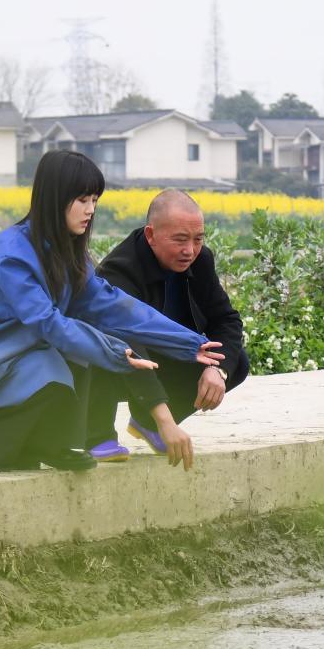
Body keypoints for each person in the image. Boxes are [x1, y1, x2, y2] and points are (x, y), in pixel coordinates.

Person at [0, 152, 224, 472]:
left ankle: (45, 442)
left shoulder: (69, 255)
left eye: (94, 199)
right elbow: (47, 322)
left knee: (75, 355)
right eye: (82, 199)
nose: (91, 209)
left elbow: (113, 306)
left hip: (17, 360)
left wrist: (190, 343)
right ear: (54, 198)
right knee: (60, 360)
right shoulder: (10, 255)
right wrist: (115, 353)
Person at [83, 189, 249, 470]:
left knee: (234, 362)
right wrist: (165, 419)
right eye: (180, 240)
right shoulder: (120, 272)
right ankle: (97, 433)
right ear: (151, 235)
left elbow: (226, 320)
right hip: (121, 361)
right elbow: (128, 343)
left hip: (167, 357)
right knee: (106, 343)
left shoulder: (200, 260)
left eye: (198, 239)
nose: (190, 250)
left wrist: (217, 371)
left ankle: (147, 424)